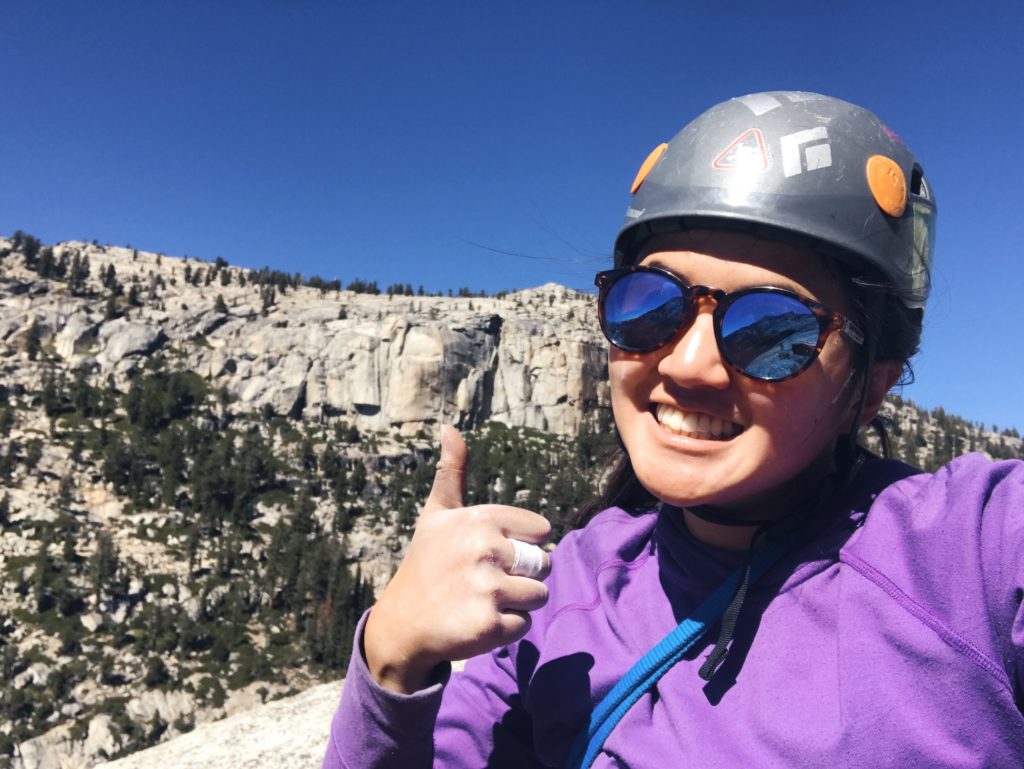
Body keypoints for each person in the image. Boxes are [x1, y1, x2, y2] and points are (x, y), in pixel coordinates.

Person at [321, 92, 1024, 767]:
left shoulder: (970, 555)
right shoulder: (557, 596)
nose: (689, 364)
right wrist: (391, 654)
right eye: (650, 305)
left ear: (866, 389)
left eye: (775, 329)